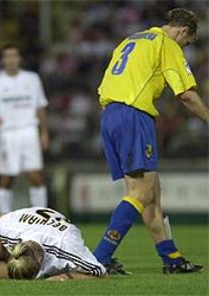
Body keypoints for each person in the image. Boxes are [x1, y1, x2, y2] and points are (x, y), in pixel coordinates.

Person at [93, 8, 208, 275]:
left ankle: (172, 259)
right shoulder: (167, 43)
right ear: (182, 31)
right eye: (187, 42)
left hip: (111, 115)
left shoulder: (130, 40)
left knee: (150, 192)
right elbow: (186, 95)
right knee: (141, 193)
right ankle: (99, 258)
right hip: (134, 114)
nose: (184, 47)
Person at [0, 44, 50, 215]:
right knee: (6, 178)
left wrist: (44, 132)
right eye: (8, 56)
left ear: (20, 58)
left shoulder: (32, 79)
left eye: (14, 55)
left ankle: (41, 216)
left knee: (35, 176)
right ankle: (4, 217)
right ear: (2, 60)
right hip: (7, 133)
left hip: (29, 130)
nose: (11, 59)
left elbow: (41, 106)